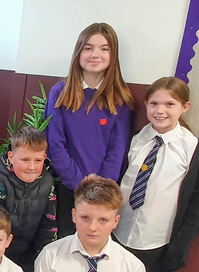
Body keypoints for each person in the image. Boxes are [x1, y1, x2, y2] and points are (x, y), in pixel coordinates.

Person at [114, 77, 199, 272]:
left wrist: (178, 248)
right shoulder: (136, 139)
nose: (160, 111)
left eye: (170, 104)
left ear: (185, 107)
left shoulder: (194, 150)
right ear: (146, 104)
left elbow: (197, 205)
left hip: (155, 243)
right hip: (117, 233)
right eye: (154, 103)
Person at [45, 23, 133, 238]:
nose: (96, 54)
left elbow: (117, 149)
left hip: (102, 191)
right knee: (65, 244)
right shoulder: (60, 92)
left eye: (104, 49)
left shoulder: (120, 98)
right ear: (78, 52)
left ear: (113, 55)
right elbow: (55, 142)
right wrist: (78, 183)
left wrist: (99, 187)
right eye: (88, 48)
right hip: (66, 187)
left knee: (93, 244)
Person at [0, 126, 56, 272]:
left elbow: (49, 226)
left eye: (38, 161)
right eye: (25, 160)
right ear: (11, 157)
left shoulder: (47, 182)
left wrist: (42, 260)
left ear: (44, 158)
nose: (32, 167)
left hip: (28, 255)